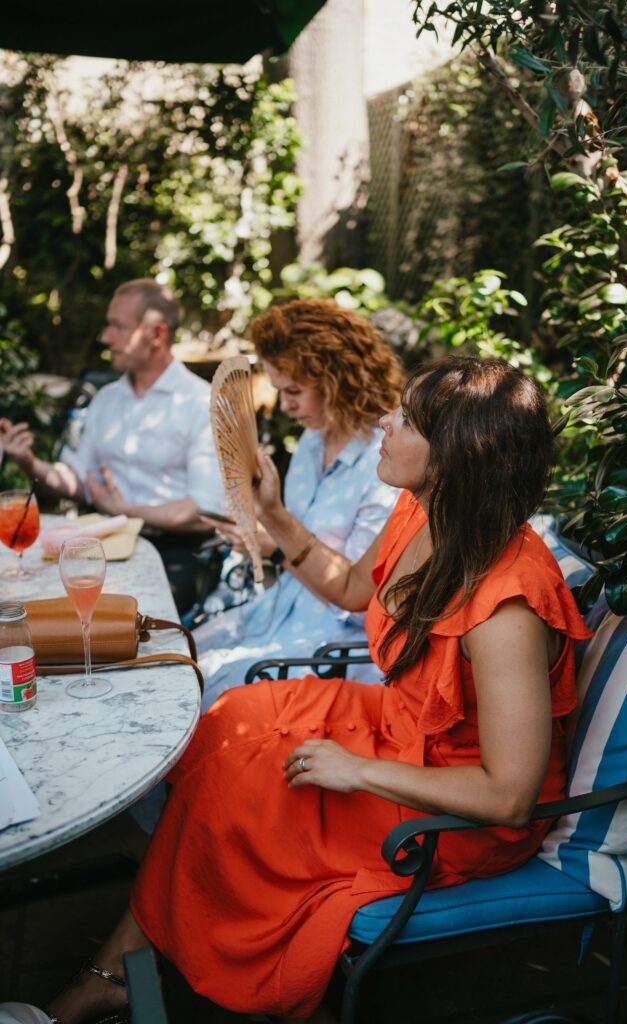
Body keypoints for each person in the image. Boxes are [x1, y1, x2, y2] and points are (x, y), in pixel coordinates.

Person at [44, 356, 592, 1024]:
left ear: (457, 455)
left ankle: (140, 967)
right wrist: (273, 513)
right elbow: (348, 588)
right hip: (399, 726)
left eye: (408, 420)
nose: (384, 425)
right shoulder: (424, 514)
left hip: (456, 804)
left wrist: (359, 770)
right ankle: (142, 945)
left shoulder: (506, 606)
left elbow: (507, 797)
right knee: (227, 718)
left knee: (247, 785)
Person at [195, 298, 404, 710]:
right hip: (281, 607)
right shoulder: (311, 443)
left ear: (338, 379)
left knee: (205, 692)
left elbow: (358, 592)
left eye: (294, 391)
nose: (286, 406)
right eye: (279, 391)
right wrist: (263, 533)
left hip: (336, 644)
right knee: (176, 657)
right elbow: (302, 549)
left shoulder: (387, 461)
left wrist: (275, 529)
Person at [0, 279, 225, 614]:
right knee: (33, 599)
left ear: (156, 334)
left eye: (117, 326)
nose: (105, 338)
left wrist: (125, 510)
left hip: (177, 553)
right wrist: (31, 463)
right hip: (104, 545)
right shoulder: (106, 399)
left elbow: (208, 511)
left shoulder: (201, 403)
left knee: (112, 620)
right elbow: (80, 479)